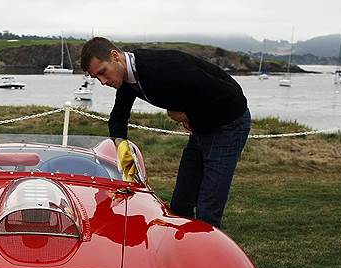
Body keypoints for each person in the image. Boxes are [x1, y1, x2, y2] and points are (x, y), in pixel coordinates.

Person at [81, 37, 251, 228]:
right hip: (202, 128)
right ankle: (183, 249)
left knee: (208, 211)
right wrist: (124, 154)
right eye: (97, 78)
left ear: (114, 56)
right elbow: (118, 118)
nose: (103, 82)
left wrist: (185, 115)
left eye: (103, 72)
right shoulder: (128, 79)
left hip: (229, 125)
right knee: (180, 205)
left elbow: (230, 96)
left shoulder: (161, 68)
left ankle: (205, 252)